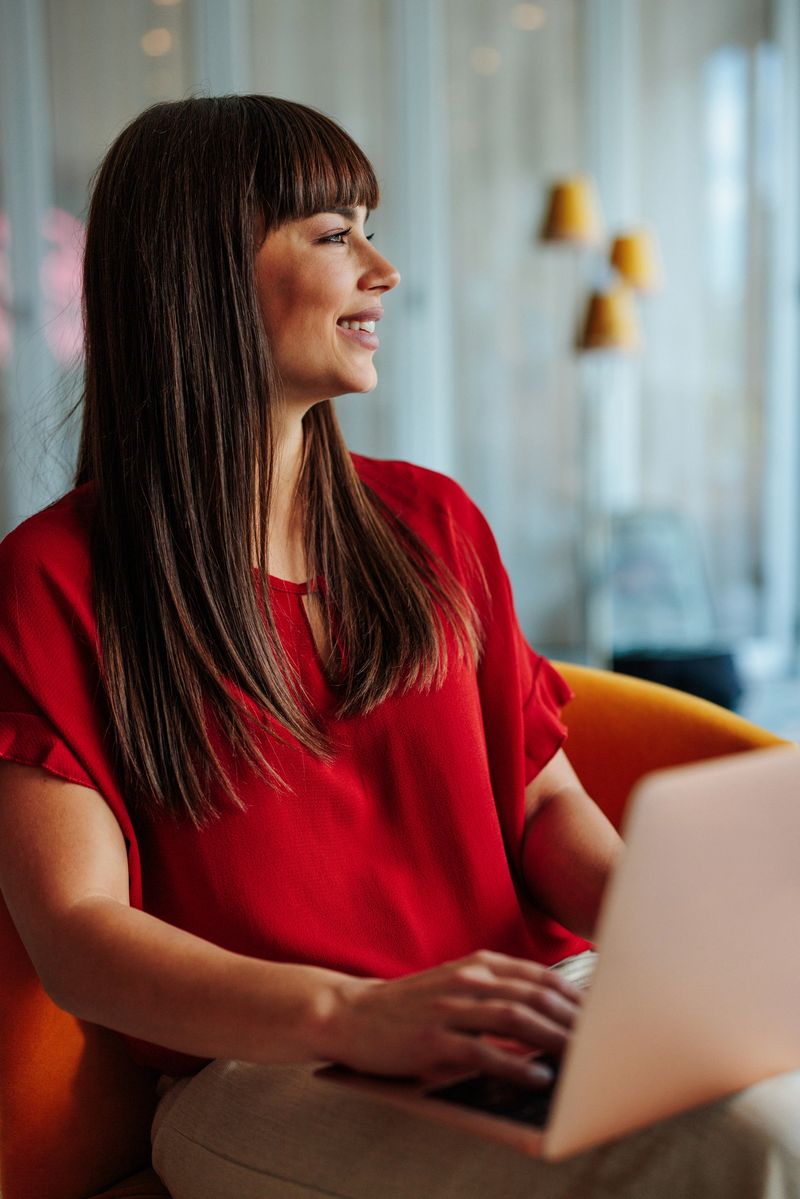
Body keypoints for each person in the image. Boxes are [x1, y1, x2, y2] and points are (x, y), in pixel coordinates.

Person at [0, 95, 797, 1199]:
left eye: (368, 226)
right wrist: (357, 1012)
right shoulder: (53, 578)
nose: (381, 268)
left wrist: (673, 950)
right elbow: (77, 933)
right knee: (747, 1148)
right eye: (334, 235)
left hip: (530, 1001)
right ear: (200, 276)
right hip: (276, 1067)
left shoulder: (431, 522)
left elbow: (539, 803)